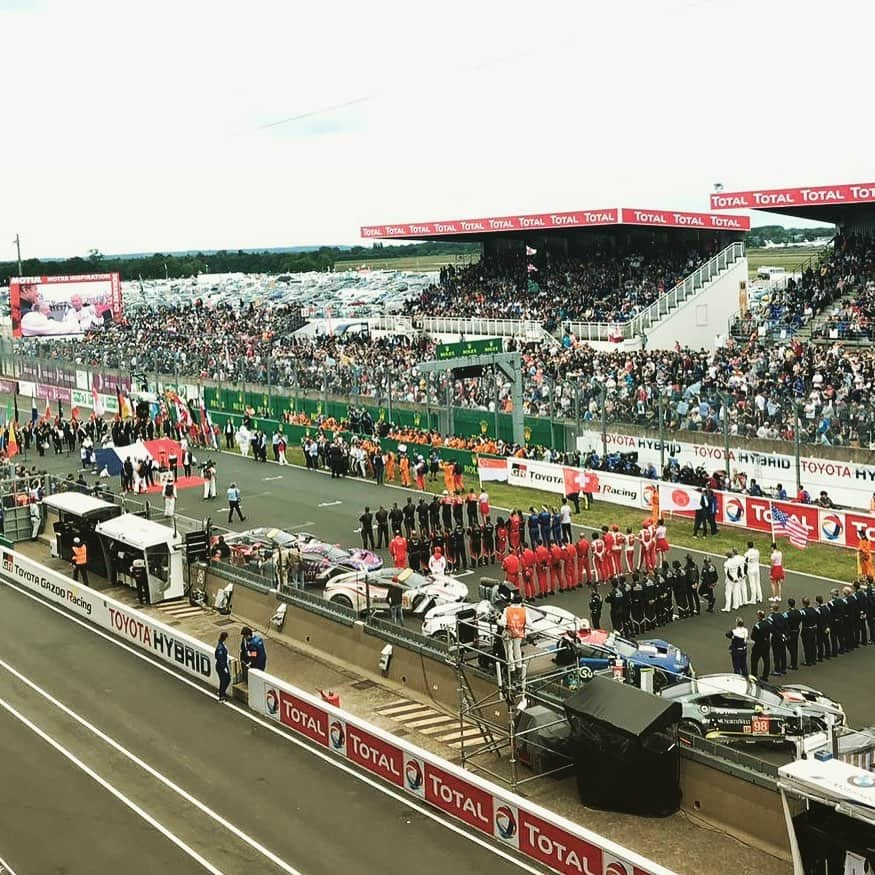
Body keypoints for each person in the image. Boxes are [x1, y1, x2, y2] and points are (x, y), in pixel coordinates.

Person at [500, 592, 527, 674]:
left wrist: (496, 619)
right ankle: (519, 667)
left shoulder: (507, 610)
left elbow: (502, 622)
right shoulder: (524, 610)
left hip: (509, 632)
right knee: (517, 650)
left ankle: (511, 669)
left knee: (509, 651)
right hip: (518, 632)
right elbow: (530, 622)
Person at [750, 611, 771, 680]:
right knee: (766, 660)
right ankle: (765, 676)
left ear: (759, 616)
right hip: (767, 643)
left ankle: (754, 673)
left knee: (754, 659)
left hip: (759, 644)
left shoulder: (757, 626)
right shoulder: (768, 623)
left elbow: (753, 636)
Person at [769, 603, 787, 676]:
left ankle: (777, 669)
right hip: (783, 636)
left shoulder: (771, 618)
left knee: (776, 654)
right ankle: (783, 668)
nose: (770, 609)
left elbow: (772, 629)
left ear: (773, 609)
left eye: (771, 607)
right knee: (783, 653)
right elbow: (786, 626)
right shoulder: (782, 616)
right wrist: (784, 634)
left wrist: (779, 635)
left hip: (776, 638)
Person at [783, 597, 802, 671]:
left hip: (790, 632)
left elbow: (784, 622)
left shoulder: (787, 614)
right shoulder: (798, 612)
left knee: (790, 647)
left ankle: (792, 664)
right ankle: (794, 663)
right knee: (795, 647)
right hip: (796, 630)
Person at [800, 598, 819, 667]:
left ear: (803, 603)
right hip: (813, 629)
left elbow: (800, 618)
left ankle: (808, 661)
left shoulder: (803, 611)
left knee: (807, 646)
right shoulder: (813, 609)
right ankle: (814, 659)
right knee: (813, 644)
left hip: (806, 630)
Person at [215, 631, 232, 702]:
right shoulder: (220, 647)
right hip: (221, 666)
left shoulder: (222, 644)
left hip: (223, 664)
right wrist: (224, 667)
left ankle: (221, 692)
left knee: (225, 679)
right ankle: (221, 696)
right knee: (225, 680)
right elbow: (219, 657)